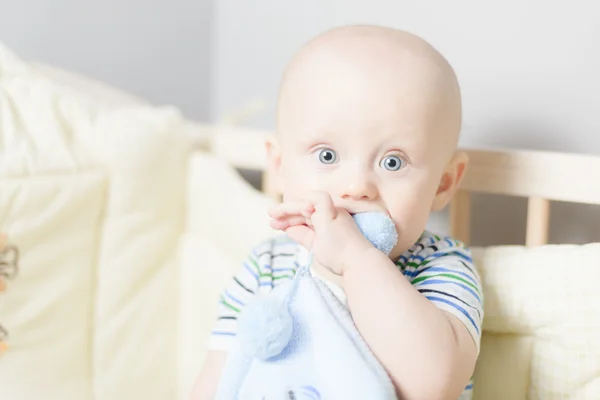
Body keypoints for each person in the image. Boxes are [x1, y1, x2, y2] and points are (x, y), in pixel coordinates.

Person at [192, 24, 483, 400]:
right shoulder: (265, 267)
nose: (357, 187)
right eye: (327, 156)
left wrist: (356, 261)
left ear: (443, 185)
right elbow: (220, 380)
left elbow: (434, 383)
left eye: (393, 162)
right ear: (279, 166)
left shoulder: (439, 266)